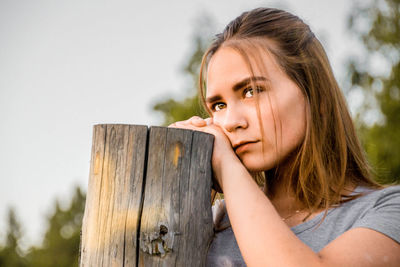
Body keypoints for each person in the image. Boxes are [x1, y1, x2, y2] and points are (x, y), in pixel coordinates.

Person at [170, 7, 400, 266]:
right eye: (219, 105)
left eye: (251, 91)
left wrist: (226, 165)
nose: (232, 122)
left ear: (316, 95)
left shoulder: (387, 212)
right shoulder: (211, 222)